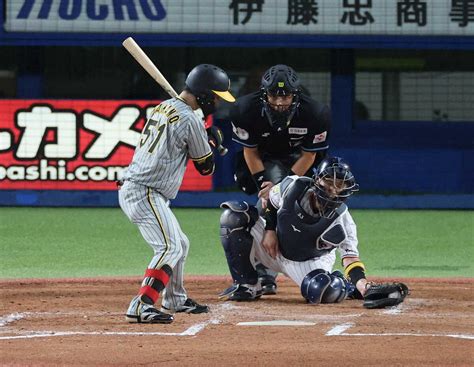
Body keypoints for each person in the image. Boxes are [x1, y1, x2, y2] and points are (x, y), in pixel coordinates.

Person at [119, 64, 235, 323]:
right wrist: (210, 142)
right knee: (169, 246)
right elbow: (205, 167)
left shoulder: (166, 106)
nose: (217, 102)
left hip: (144, 189)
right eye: (215, 96)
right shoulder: (190, 118)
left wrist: (203, 135)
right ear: (204, 94)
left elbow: (185, 133)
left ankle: (175, 299)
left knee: (180, 244)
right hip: (144, 191)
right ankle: (141, 304)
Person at [218, 157, 408, 307]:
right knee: (233, 216)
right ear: (317, 179)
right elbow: (270, 202)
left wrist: (363, 286)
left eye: (340, 184)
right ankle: (248, 285)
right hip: (273, 248)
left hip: (308, 262)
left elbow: (350, 258)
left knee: (323, 290)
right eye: (329, 181)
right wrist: (269, 229)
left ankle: (346, 286)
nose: (334, 189)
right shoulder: (293, 185)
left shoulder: (344, 221)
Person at [229, 64, 331, 294]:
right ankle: (264, 274)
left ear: (296, 94)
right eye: (274, 95)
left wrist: (286, 188)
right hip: (263, 159)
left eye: (285, 96)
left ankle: (311, 258)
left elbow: (310, 155)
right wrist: (266, 184)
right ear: (265, 94)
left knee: (296, 205)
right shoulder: (244, 110)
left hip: (300, 159)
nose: (280, 102)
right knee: (265, 203)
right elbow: (250, 152)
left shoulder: (316, 113)